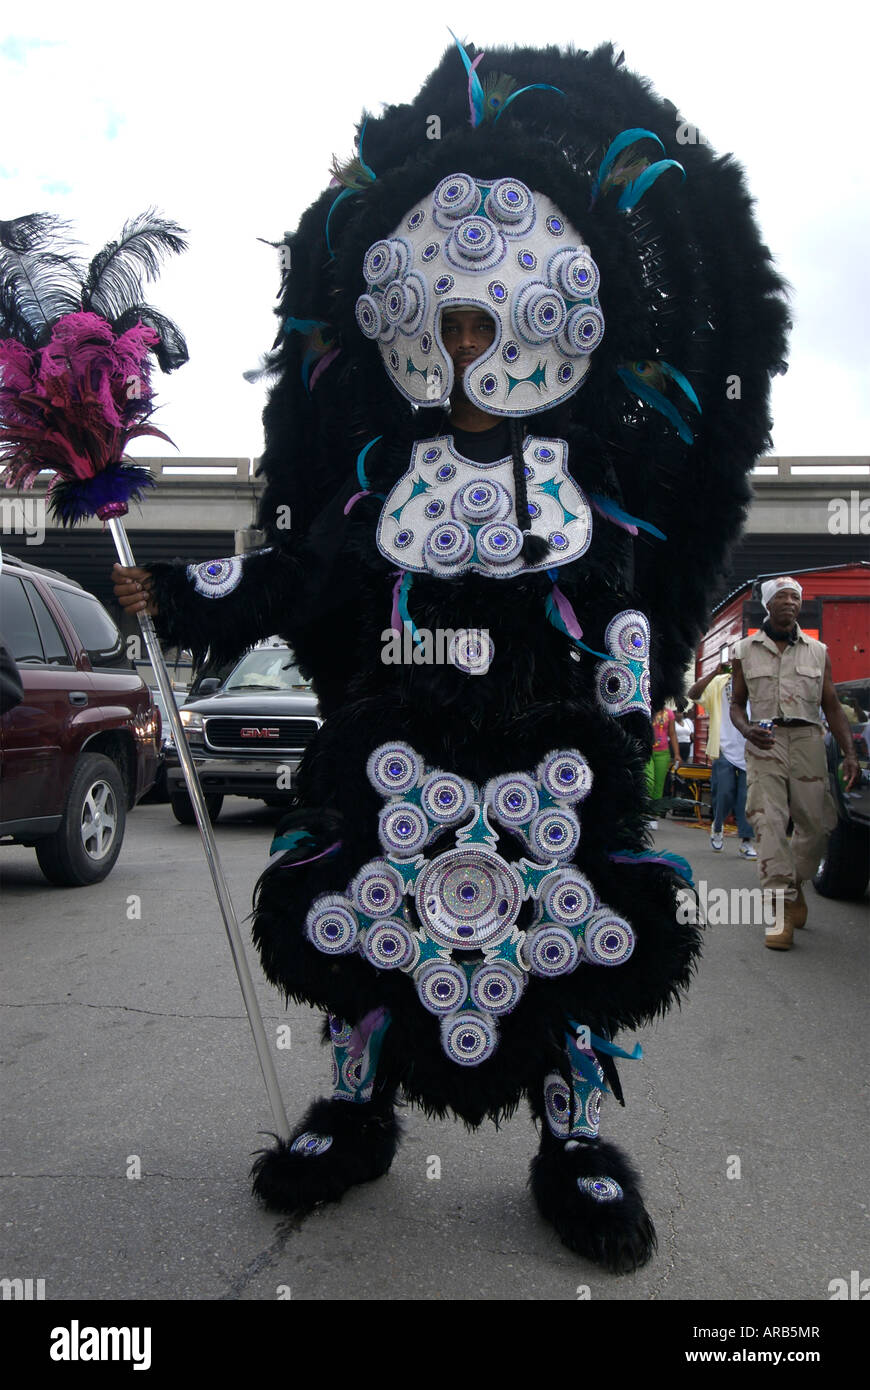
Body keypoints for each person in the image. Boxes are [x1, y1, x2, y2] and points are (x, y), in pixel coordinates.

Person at [111, 38, 789, 1272]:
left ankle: (572, 1139)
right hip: (398, 757)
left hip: (550, 768)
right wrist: (170, 589)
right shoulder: (379, 495)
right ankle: (359, 1112)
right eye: (452, 316)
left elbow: (631, 616)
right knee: (368, 935)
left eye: (498, 316)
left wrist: (625, 734)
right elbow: (287, 576)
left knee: (562, 949)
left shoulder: (599, 498)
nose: (474, 344)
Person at [730, 577, 859, 949]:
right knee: (768, 822)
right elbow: (737, 702)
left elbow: (832, 705)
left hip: (807, 740)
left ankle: (795, 882)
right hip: (765, 741)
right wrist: (746, 729)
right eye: (782, 597)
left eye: (795, 598)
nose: (790, 603)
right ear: (768, 605)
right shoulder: (744, 649)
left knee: (817, 826)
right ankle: (780, 909)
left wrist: (849, 753)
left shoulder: (818, 651)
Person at [687, 661, 756, 858]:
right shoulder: (720, 683)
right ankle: (718, 825)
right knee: (724, 792)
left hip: (749, 749)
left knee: (746, 798)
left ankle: (746, 841)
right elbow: (693, 694)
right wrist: (712, 674)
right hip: (724, 746)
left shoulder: (757, 684)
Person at [645, 708, 681, 828]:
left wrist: (676, 754)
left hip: (663, 753)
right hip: (647, 751)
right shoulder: (646, 708)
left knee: (659, 786)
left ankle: (653, 816)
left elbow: (672, 734)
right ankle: (644, 812)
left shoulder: (669, 713)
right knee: (648, 781)